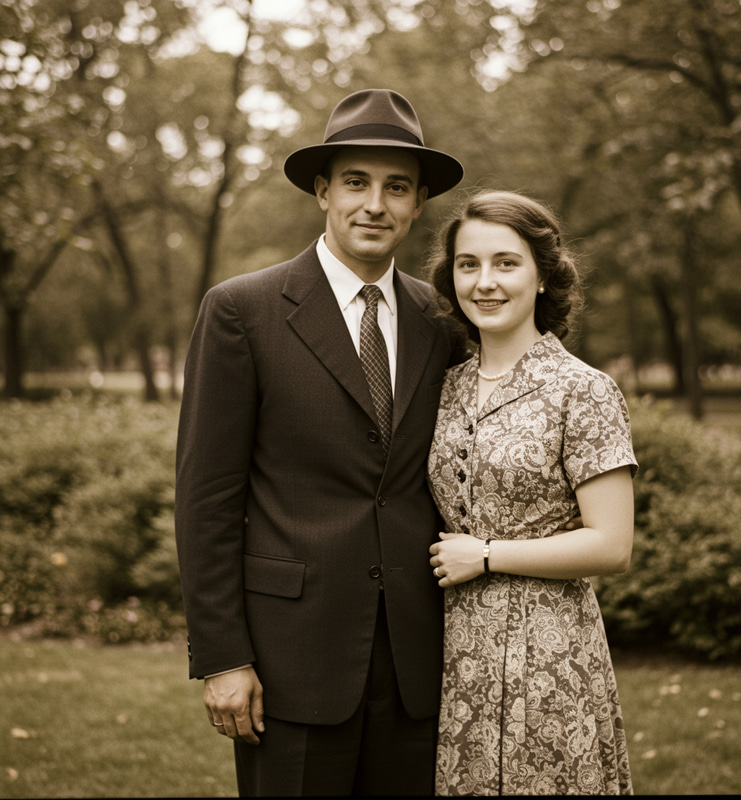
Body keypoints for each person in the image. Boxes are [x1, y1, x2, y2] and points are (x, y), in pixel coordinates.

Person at [174, 89, 470, 796]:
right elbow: (207, 497)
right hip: (291, 659)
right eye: (356, 183)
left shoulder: (443, 320)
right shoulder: (242, 311)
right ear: (322, 192)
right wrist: (223, 656)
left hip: (418, 659)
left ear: (418, 203)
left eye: (396, 187)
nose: (375, 204)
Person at [426, 190, 637, 795]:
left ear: (542, 276)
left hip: (550, 651)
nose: (485, 282)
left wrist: (486, 554)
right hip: (455, 647)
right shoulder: (444, 386)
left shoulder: (582, 390)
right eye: (469, 264)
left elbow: (612, 545)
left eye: (506, 263)